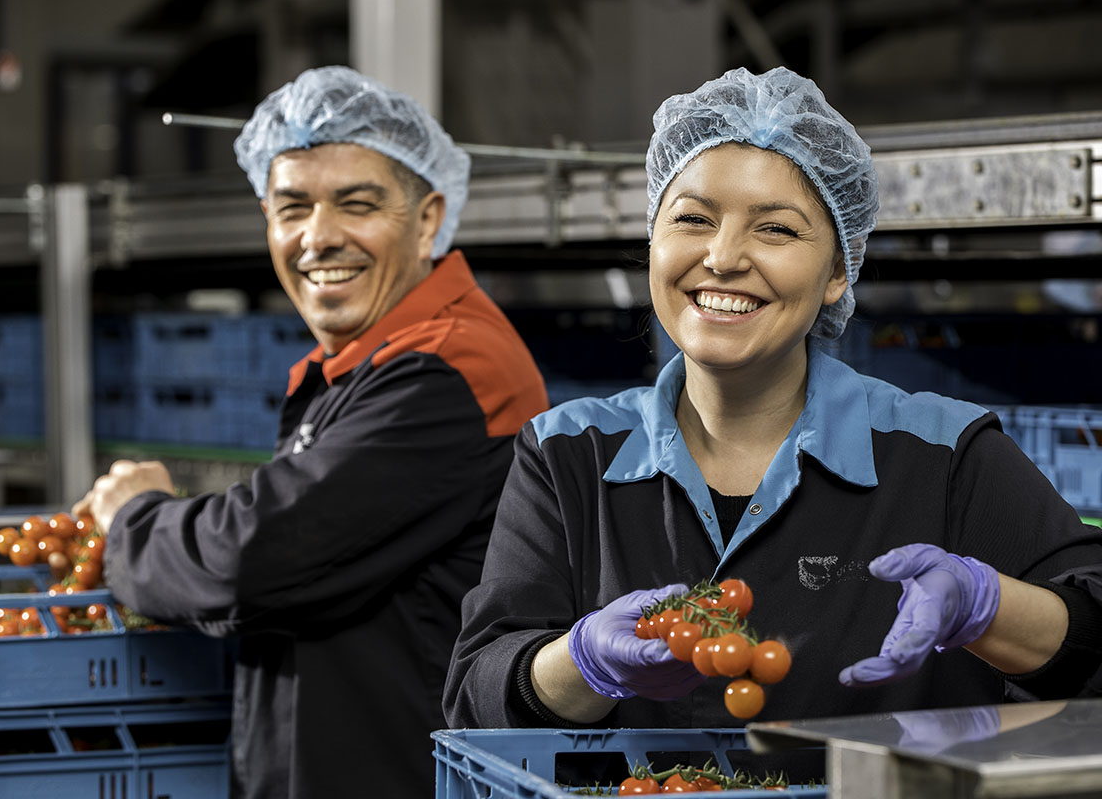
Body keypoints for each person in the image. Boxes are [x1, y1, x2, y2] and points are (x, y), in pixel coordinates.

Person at [443, 67, 1102, 746]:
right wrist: (580, 662)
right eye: (693, 219)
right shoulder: (566, 452)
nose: (723, 257)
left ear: (838, 271)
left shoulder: (947, 453)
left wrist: (987, 608)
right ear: (652, 242)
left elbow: (1093, 627)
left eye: (777, 230)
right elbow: (477, 694)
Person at [73, 65, 548, 799]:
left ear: (427, 219)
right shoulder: (371, 362)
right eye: (290, 208)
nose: (317, 238)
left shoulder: (451, 370)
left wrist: (135, 519)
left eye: (356, 204)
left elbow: (253, 560)